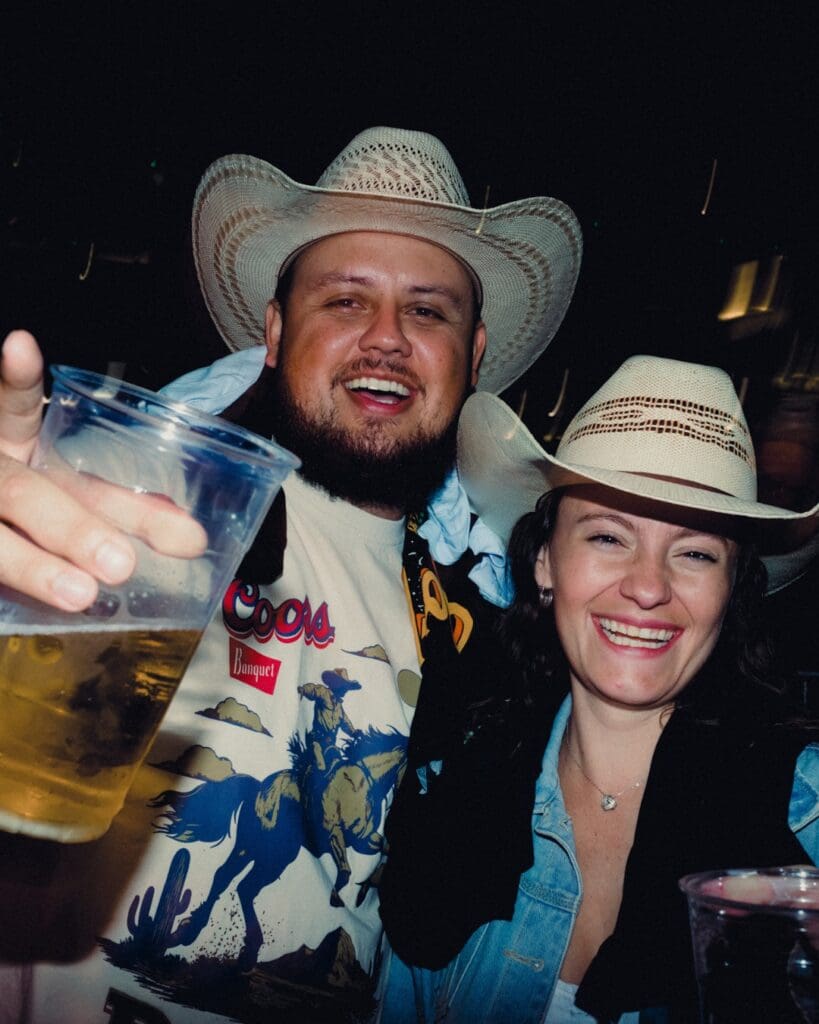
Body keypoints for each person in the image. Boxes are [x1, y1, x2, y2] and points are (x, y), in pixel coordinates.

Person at [0, 127, 581, 1023]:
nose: (386, 339)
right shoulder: (151, 505)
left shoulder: (481, 626)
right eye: (345, 301)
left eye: (428, 312)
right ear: (274, 334)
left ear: (472, 358)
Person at [378, 354, 819, 1023]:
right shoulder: (448, 800)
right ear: (544, 561)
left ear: (732, 592)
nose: (647, 586)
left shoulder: (805, 820)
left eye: (696, 552)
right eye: (608, 537)